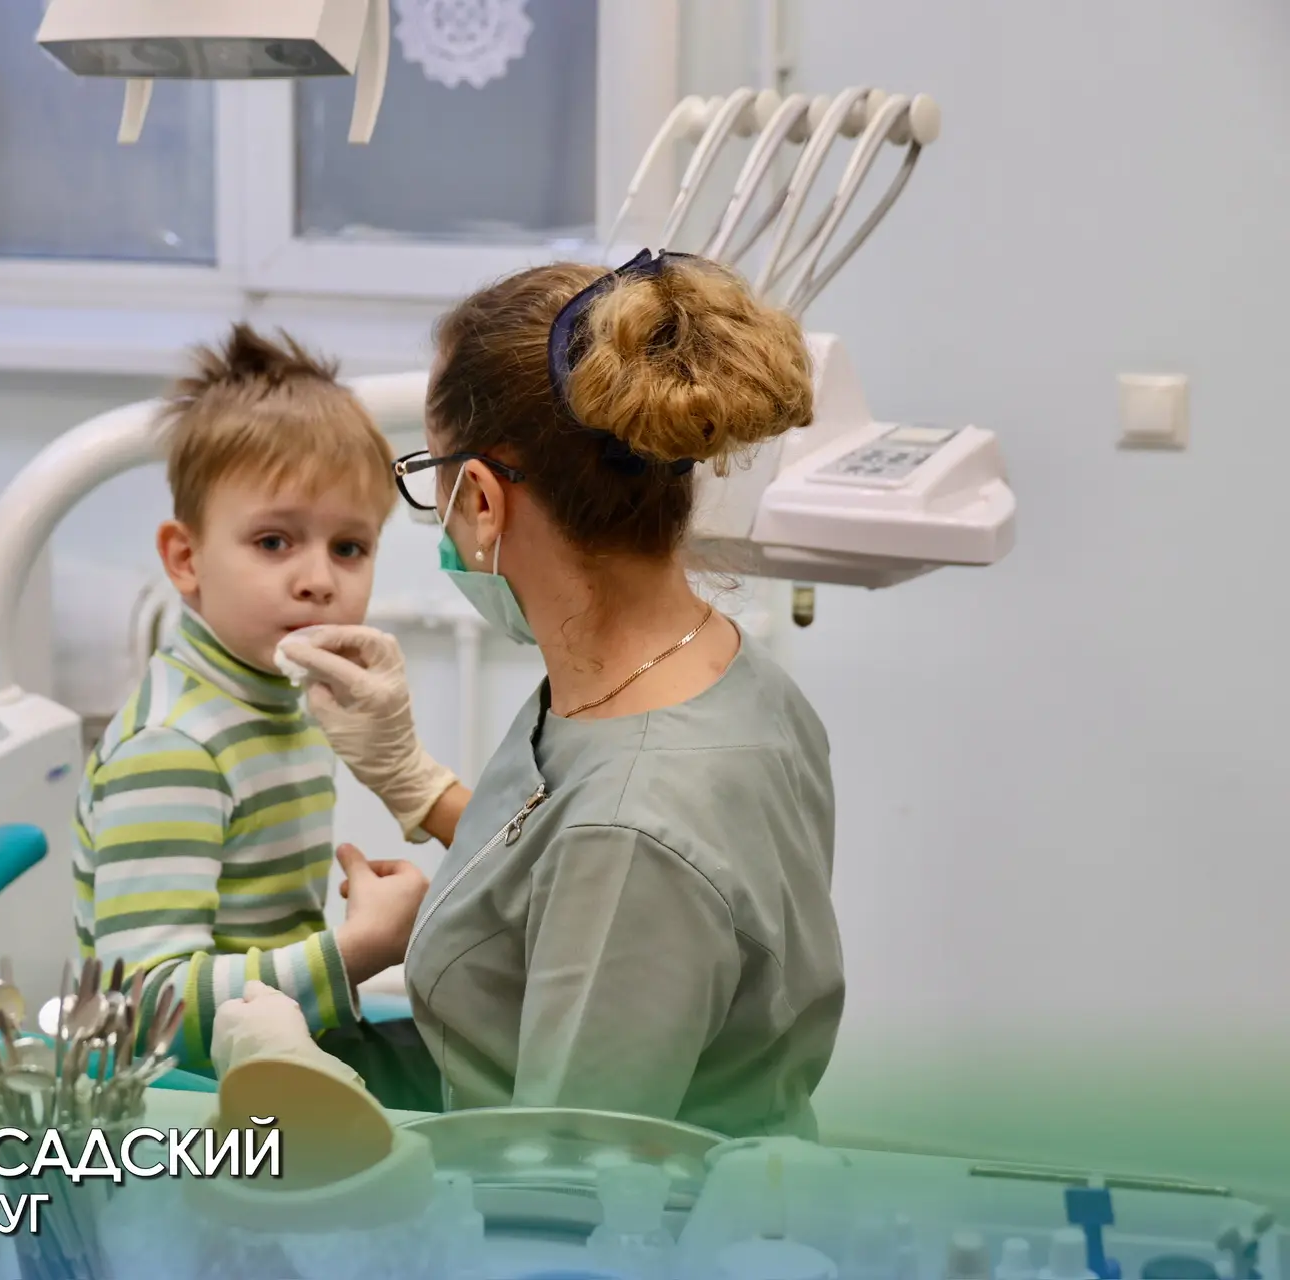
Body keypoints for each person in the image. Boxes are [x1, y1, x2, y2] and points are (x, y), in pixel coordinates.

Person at [277, 250, 844, 1138]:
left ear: (481, 500)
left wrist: (281, 1064)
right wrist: (415, 784)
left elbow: (561, 1183)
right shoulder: (707, 671)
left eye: (429, 474)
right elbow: (565, 859)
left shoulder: (630, 837)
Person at [73, 322, 444, 1108]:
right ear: (185, 559)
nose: (318, 579)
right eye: (275, 541)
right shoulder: (174, 746)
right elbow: (141, 1014)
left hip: (278, 1051)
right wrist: (356, 951)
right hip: (191, 1100)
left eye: (349, 548)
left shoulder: (275, 693)